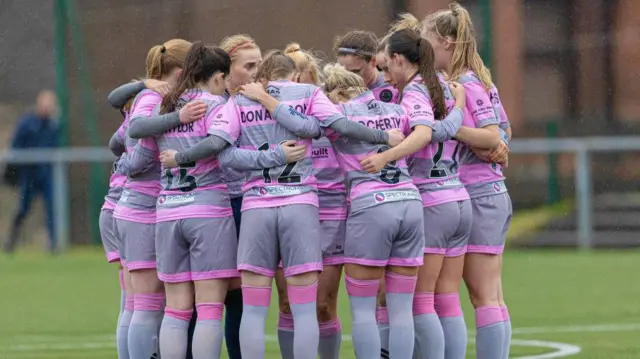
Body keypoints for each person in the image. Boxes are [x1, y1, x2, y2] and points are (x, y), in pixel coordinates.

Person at [360, 26, 469, 359]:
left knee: (421, 301)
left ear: (398, 59)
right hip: (458, 196)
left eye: (385, 65)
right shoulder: (446, 89)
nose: (385, 74)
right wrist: (460, 107)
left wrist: (385, 157)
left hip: (433, 198)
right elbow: (448, 129)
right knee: (446, 298)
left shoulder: (416, 92)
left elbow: (422, 134)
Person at [423, 3, 512, 359]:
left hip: (478, 193)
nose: (423, 50)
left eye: (426, 41)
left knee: (483, 296)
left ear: (445, 42)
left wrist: (443, 129)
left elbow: (492, 134)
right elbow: (505, 129)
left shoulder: (466, 83)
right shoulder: (478, 78)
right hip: (488, 192)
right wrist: (499, 145)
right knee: (492, 295)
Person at [317, 63, 422, 359]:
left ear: (334, 95)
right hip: (410, 202)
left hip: (372, 204)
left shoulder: (340, 115)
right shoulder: (396, 111)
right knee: (400, 309)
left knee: (363, 310)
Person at [113, 38, 191, 359]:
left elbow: (116, 141)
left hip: (135, 207)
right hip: (141, 209)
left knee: (136, 304)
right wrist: (134, 163)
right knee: (145, 305)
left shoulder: (149, 97)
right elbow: (139, 143)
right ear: (182, 70)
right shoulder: (152, 98)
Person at [4, 90, 59, 254]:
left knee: (51, 208)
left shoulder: (54, 125)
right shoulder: (27, 123)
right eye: (45, 105)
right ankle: (11, 242)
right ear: (39, 104)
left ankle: (53, 245)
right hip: (29, 175)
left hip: (46, 174)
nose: (48, 108)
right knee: (23, 209)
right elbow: (16, 146)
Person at [334, 30, 398, 103]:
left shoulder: (392, 87)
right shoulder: (334, 90)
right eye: (344, 73)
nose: (348, 80)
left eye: (355, 72)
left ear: (373, 61)